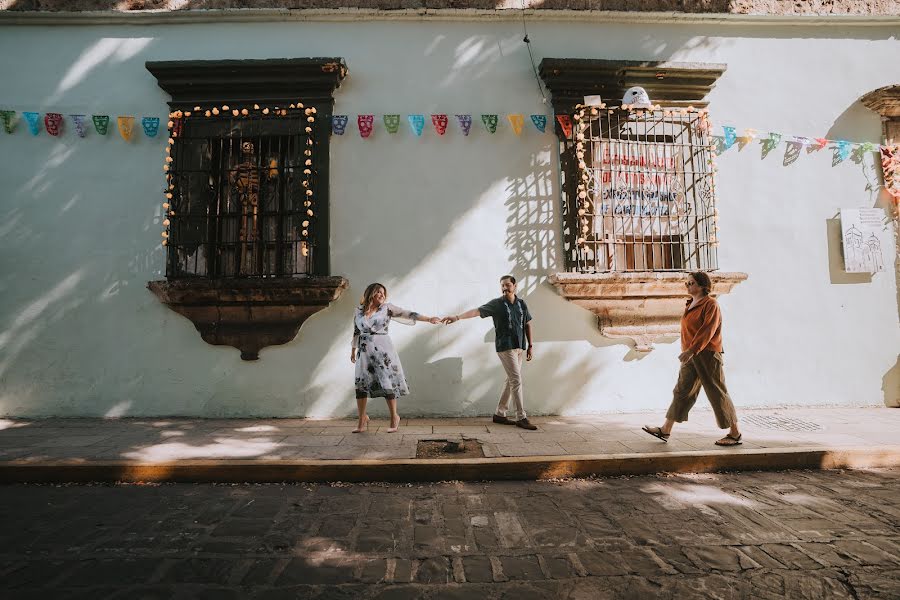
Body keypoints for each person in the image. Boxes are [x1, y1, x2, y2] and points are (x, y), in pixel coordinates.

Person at [642, 271, 743, 446]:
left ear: (703, 286)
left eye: (692, 283)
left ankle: (735, 434)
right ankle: (665, 430)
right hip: (691, 355)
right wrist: (688, 351)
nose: (688, 286)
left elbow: (707, 330)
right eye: (687, 283)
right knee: (682, 391)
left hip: (707, 354)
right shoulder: (690, 304)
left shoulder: (710, 304)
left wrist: (691, 350)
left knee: (716, 392)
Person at [443, 275, 537, 430]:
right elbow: (477, 311)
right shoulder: (497, 304)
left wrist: (530, 345)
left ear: (515, 286)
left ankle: (500, 414)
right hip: (505, 346)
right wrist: (457, 317)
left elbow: (527, 323)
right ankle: (521, 417)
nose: (505, 288)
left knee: (511, 380)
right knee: (516, 380)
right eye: (502, 285)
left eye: (507, 285)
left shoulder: (521, 304)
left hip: (520, 346)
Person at [351, 283, 440, 433]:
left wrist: (429, 318)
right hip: (364, 351)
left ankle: (394, 417)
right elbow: (355, 331)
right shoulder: (358, 311)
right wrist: (353, 350)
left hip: (383, 350)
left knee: (387, 382)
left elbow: (408, 314)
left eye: (383, 293)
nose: (382, 295)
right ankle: (362, 419)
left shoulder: (387, 308)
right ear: (370, 293)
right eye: (378, 292)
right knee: (361, 384)